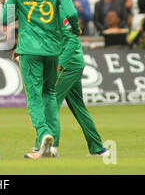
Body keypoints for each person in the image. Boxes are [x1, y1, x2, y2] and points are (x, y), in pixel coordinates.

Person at [2, 0, 81, 160]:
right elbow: (72, 13)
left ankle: (43, 134)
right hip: (53, 49)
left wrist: (18, 15)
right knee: (50, 94)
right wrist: (76, 28)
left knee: (34, 97)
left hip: (29, 50)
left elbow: (5, 16)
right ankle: (52, 145)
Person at [31, 9, 110, 157]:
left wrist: (61, 62)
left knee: (49, 101)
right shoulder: (46, 13)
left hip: (68, 65)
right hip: (73, 64)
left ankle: (48, 147)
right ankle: (98, 149)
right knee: (79, 108)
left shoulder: (60, 14)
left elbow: (73, 39)